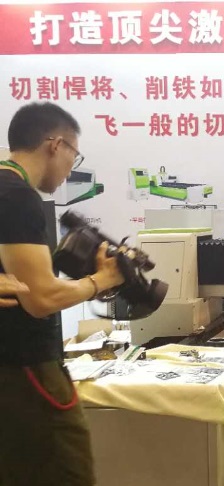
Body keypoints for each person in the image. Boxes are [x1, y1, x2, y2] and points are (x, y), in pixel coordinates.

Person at [0, 102, 125, 486]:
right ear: (55, 145)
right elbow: (40, 300)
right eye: (74, 154)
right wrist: (102, 280)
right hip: (26, 369)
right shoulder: (17, 197)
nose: (71, 168)